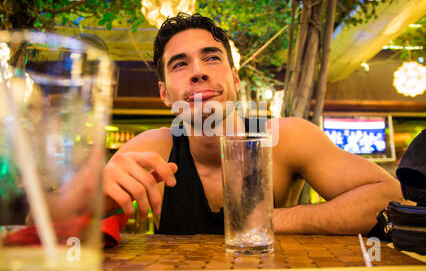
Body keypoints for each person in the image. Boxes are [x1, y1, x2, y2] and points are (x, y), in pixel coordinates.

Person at [103, 12, 407, 235]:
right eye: (180, 64)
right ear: (164, 93)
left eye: (211, 58)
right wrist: (98, 198)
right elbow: (64, 225)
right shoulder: (151, 149)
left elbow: (391, 196)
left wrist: (276, 220)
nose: (198, 72)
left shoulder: (286, 138)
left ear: (235, 79)